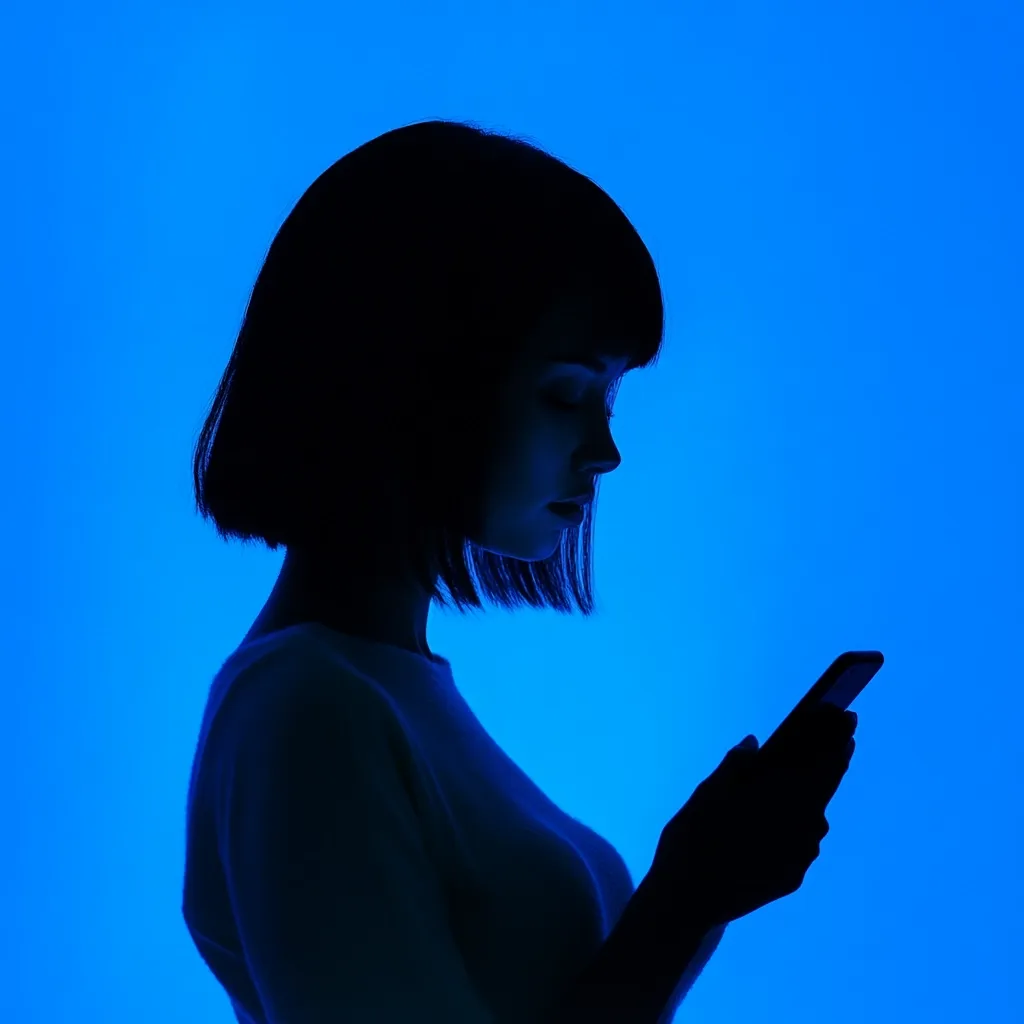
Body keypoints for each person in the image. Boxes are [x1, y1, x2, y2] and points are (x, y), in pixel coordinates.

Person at [180, 118, 855, 1024]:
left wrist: (696, 895)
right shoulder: (307, 706)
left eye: (607, 399)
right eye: (566, 395)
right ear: (416, 380)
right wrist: (688, 898)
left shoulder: (371, 694)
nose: (605, 450)